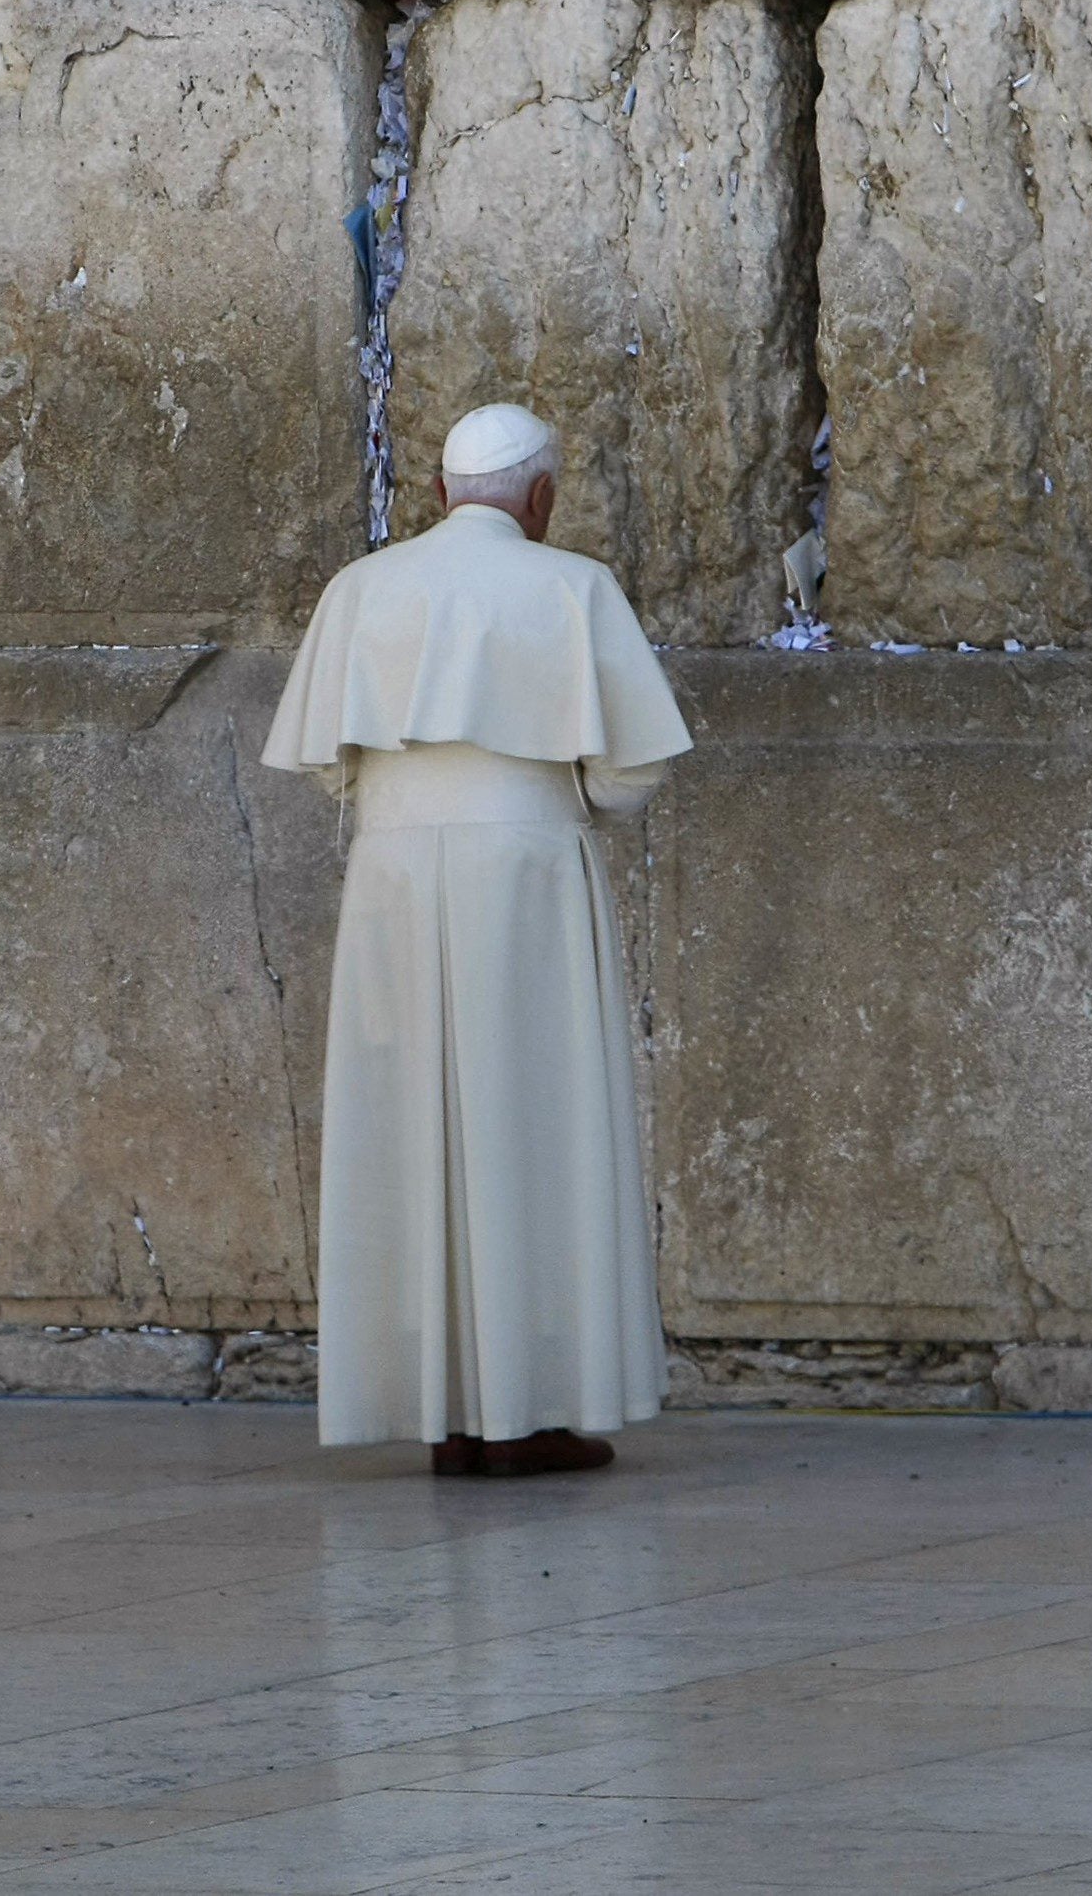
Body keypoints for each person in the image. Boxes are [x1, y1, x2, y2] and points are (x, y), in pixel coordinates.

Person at [263, 404, 692, 1476]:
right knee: (536, 1129)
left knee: (411, 1127)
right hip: (529, 872)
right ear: (540, 496)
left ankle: (449, 1416)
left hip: (393, 878)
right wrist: (557, 783)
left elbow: (328, 760)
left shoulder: (359, 590)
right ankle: (532, 1407)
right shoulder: (571, 585)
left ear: (441, 491)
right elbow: (633, 772)